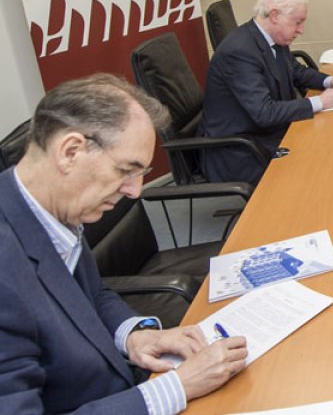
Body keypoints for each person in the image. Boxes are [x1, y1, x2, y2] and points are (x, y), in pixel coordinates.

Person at [0, 74, 247, 414]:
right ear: (70, 152)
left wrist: (135, 336)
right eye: (126, 170)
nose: (134, 190)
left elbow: (90, 295)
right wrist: (175, 388)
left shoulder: (46, 206)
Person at [201, 0, 333, 186]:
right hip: (240, 151)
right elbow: (264, 113)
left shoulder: (272, 38)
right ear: (275, 16)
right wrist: (320, 102)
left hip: (263, 134)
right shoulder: (239, 52)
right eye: (297, 22)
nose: (301, 30)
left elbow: (296, 71)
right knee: (325, 161)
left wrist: (332, 81)